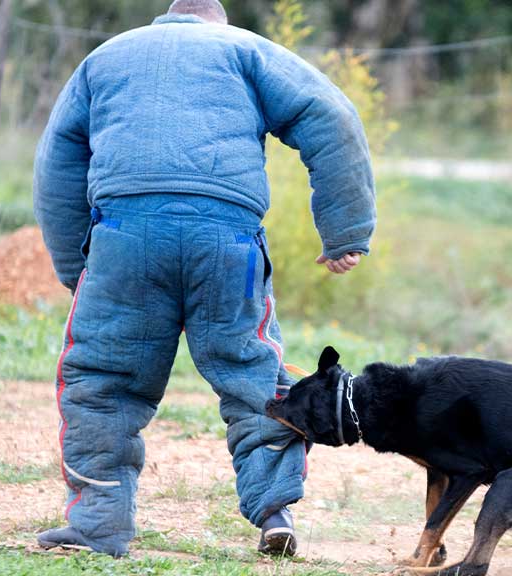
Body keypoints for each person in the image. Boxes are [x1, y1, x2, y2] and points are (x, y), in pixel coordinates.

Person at [32, 0, 375, 559]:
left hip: (125, 238)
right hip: (227, 241)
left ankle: (98, 523)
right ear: (216, 20)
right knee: (253, 376)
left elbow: (58, 163)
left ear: (166, 17)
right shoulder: (246, 50)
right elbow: (329, 115)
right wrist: (346, 233)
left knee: (102, 379)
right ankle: (274, 512)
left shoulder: (104, 58)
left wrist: (78, 268)